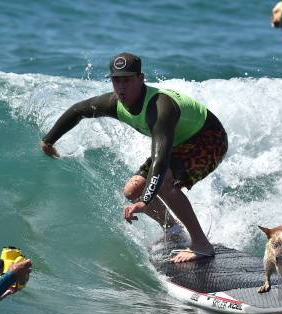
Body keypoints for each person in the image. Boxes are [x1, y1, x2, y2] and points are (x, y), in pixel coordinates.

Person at [40, 53, 228, 263]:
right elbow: (78, 111)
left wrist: (146, 201)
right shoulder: (114, 103)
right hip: (179, 143)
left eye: (127, 80)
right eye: (116, 80)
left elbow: (160, 160)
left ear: (141, 78)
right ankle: (173, 232)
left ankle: (201, 244)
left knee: (164, 183)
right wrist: (48, 141)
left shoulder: (159, 107)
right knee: (132, 190)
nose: (121, 87)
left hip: (209, 139)